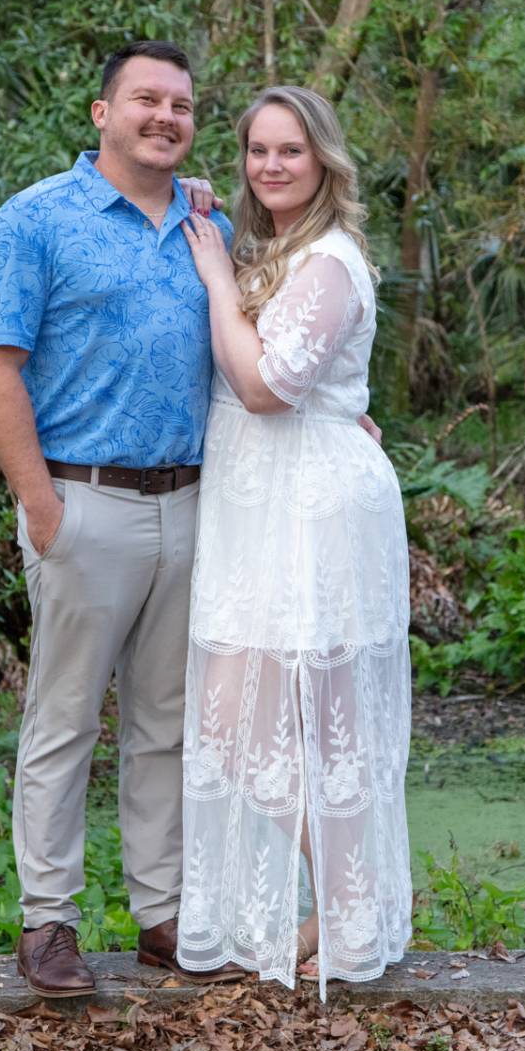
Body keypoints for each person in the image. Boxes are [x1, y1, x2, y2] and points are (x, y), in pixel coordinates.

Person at [0, 40, 249, 996]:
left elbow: (256, 344)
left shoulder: (210, 227)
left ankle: (162, 915)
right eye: (145, 100)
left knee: (169, 722)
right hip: (83, 502)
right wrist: (40, 504)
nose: (165, 117)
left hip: (195, 503)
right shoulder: (36, 221)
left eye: (181, 104)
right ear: (101, 113)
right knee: (64, 720)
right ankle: (47, 920)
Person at [174, 85, 412, 998]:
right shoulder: (276, 251)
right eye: (257, 151)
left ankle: (351, 902)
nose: (270, 166)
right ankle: (351, 895)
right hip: (260, 501)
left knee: (300, 718)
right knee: (246, 721)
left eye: (291, 152)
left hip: (307, 509)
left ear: (325, 163)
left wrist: (212, 280)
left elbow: (269, 385)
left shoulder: (330, 259)